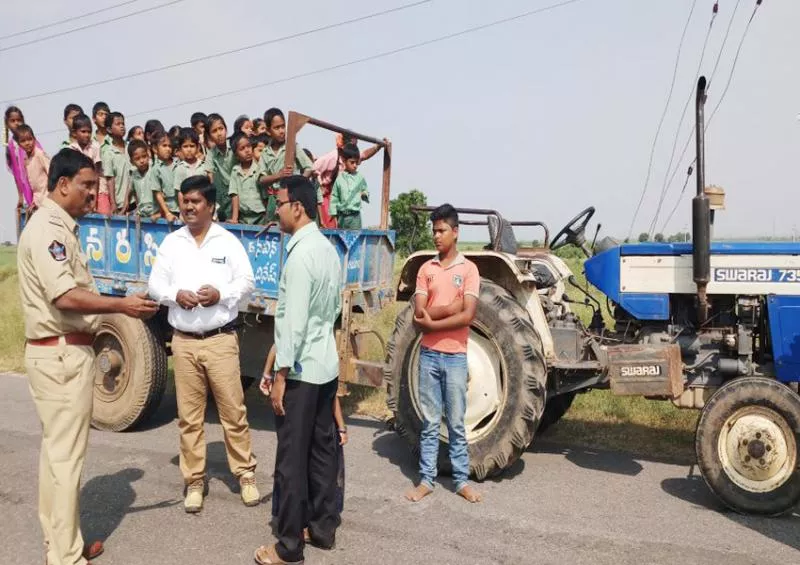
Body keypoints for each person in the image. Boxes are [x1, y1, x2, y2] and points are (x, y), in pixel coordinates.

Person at [17, 148, 158, 565]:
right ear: (62, 185)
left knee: (57, 458)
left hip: (59, 353)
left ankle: (65, 546)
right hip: (61, 355)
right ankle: (65, 557)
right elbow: (65, 295)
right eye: (87, 186)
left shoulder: (58, 227)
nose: (94, 195)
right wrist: (121, 306)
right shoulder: (50, 230)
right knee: (65, 461)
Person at [147, 174, 260, 513]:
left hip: (220, 341)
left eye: (196, 202)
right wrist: (173, 295)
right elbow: (154, 285)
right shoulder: (173, 243)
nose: (188, 207)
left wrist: (220, 293)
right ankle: (194, 482)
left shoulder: (227, 242)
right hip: (183, 342)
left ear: (212, 206)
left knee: (233, 413)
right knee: (189, 418)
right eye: (185, 202)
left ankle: (245, 475)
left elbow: (247, 282)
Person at [254, 175, 342, 565]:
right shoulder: (327, 249)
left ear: (298, 208)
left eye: (280, 202)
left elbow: (295, 321)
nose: (277, 209)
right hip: (325, 366)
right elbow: (332, 314)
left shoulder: (301, 254)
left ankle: (288, 546)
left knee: (291, 459)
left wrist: (280, 374)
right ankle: (322, 528)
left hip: (303, 371)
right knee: (322, 452)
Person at [405, 204, 483, 504]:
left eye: (442, 231)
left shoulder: (468, 270)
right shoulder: (427, 269)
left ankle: (462, 481)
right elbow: (418, 314)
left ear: (455, 232)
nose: (436, 236)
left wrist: (436, 319)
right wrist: (451, 308)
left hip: (455, 357)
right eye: (434, 231)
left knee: (455, 422)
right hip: (429, 356)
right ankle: (426, 479)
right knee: (428, 422)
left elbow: (468, 317)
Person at [261, 346, 348, 534]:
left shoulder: (294, 335)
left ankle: (294, 530)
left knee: (295, 464)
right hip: (315, 382)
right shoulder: (323, 346)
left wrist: (276, 376)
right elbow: (278, 345)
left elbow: (282, 342)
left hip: (297, 383)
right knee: (316, 465)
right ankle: (319, 526)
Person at [256, 108, 316, 222]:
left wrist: (299, 183)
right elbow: (261, 179)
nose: (282, 131)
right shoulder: (265, 152)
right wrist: (279, 175)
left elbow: (309, 167)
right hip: (274, 200)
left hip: (291, 199)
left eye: (283, 126)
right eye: (277, 128)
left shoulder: (291, 145)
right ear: (268, 131)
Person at [313, 133, 383, 228]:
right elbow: (314, 167)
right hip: (327, 195)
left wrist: (377, 147)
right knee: (329, 227)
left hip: (345, 204)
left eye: (355, 145)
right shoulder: (333, 157)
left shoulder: (352, 162)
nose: (354, 148)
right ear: (344, 145)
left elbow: (364, 155)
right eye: (352, 145)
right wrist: (320, 185)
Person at [4, 105, 38, 211]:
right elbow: (16, 174)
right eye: (12, 121)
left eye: (19, 120)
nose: (16, 123)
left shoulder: (29, 140)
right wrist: (20, 196)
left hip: (38, 185)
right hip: (25, 187)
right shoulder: (11, 146)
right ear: (7, 124)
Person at [228, 131, 265, 225]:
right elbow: (234, 195)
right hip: (243, 218)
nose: (247, 150)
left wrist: (268, 218)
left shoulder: (259, 168)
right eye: (242, 148)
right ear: (236, 155)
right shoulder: (235, 171)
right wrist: (234, 218)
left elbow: (266, 196)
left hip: (261, 216)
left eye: (248, 146)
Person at [329, 143, 369, 230]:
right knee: (342, 241)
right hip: (342, 217)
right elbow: (334, 196)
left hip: (355, 217)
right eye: (352, 162)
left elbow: (365, 189)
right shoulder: (339, 179)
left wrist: (364, 194)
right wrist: (334, 214)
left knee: (355, 239)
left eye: (356, 163)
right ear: (344, 161)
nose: (355, 165)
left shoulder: (360, 178)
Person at [203, 113, 235, 222]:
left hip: (240, 191)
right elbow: (210, 177)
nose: (219, 133)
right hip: (224, 197)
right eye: (214, 131)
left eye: (221, 129)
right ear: (209, 136)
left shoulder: (235, 146)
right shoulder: (211, 154)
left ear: (226, 129)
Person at [14, 124, 51, 209]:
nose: (27, 143)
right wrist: (34, 202)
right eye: (23, 141)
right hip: (38, 202)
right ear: (19, 144)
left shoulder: (40, 154)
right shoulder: (26, 159)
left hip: (48, 200)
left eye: (30, 139)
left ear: (34, 139)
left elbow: (52, 174)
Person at [101, 112, 129, 213]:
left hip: (135, 201)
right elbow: (110, 179)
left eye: (123, 124)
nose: (122, 126)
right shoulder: (108, 153)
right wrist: (113, 203)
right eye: (118, 124)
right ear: (109, 129)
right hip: (120, 202)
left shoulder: (131, 148)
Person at [151, 130, 180, 222]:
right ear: (155, 149)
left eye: (169, 146)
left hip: (183, 208)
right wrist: (167, 213)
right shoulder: (156, 169)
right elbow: (158, 194)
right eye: (164, 146)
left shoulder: (179, 163)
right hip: (169, 210)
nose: (168, 149)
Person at [126, 139, 159, 220]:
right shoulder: (133, 175)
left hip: (155, 212)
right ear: (132, 161)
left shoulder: (154, 170)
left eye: (144, 156)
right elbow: (130, 193)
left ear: (148, 155)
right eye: (137, 159)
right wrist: (124, 210)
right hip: (141, 214)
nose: (142, 161)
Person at [172, 128, 205, 198]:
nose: (189, 150)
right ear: (180, 149)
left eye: (192, 146)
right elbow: (179, 192)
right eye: (185, 146)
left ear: (198, 147)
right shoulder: (179, 169)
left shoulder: (203, 166)